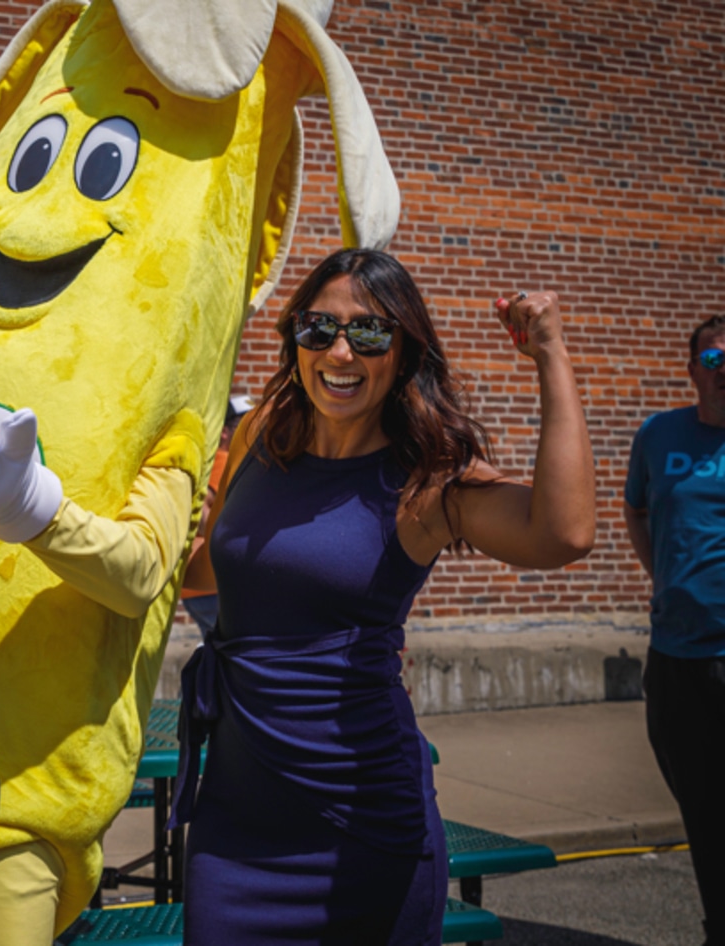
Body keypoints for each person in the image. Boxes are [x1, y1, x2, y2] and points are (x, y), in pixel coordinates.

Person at [178, 249, 594, 944]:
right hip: (234, 819)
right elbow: (204, 571)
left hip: (360, 823)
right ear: (297, 341)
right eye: (318, 329)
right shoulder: (258, 437)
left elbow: (564, 533)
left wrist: (550, 354)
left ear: (403, 351)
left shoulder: (424, 481)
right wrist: (53, 522)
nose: (340, 350)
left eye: (369, 333)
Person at [622, 315, 725, 946]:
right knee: (706, 817)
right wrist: (662, 575)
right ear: (692, 371)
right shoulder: (659, 435)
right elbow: (635, 508)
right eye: (715, 360)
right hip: (677, 658)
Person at [179, 394, 253, 636]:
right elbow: (197, 506)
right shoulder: (225, 459)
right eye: (242, 424)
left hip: (198, 588)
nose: (251, 431)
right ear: (224, 432)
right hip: (212, 584)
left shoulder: (214, 461)